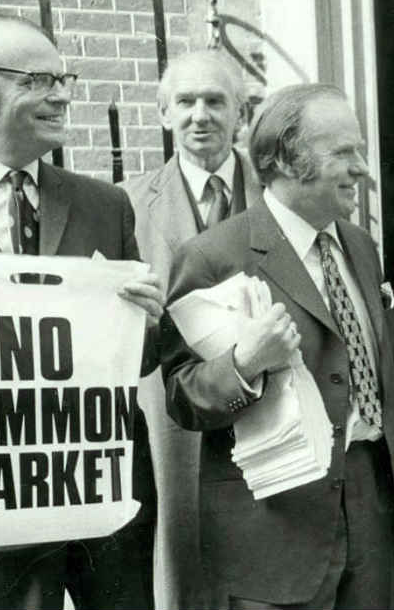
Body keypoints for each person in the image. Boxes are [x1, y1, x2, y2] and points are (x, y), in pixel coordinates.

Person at [0, 13, 165, 609]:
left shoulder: (104, 204)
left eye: (64, 77)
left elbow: (138, 362)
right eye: (38, 80)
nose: (62, 94)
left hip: (100, 493)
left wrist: (146, 323)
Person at [160, 84, 394, 609]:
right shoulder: (213, 255)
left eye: (360, 151)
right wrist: (244, 365)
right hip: (275, 522)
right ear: (285, 159)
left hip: (371, 504)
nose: (363, 169)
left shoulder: (359, 246)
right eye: (344, 153)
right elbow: (181, 395)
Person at [121, 49, 263, 610]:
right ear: (163, 114)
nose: (200, 114)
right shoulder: (128, 203)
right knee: (184, 555)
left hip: (266, 389)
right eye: (185, 101)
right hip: (172, 407)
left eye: (215, 100)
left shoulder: (280, 193)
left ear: (241, 114)